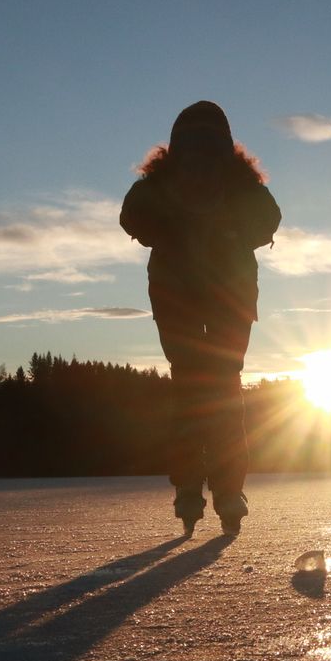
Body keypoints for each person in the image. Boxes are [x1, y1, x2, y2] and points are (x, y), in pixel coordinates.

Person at [120, 101, 281, 535]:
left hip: (174, 292)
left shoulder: (162, 177)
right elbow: (270, 219)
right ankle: (229, 492)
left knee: (189, 385)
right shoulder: (240, 178)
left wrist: (169, 236)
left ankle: (189, 490)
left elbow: (130, 216)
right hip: (231, 292)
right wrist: (232, 238)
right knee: (225, 384)